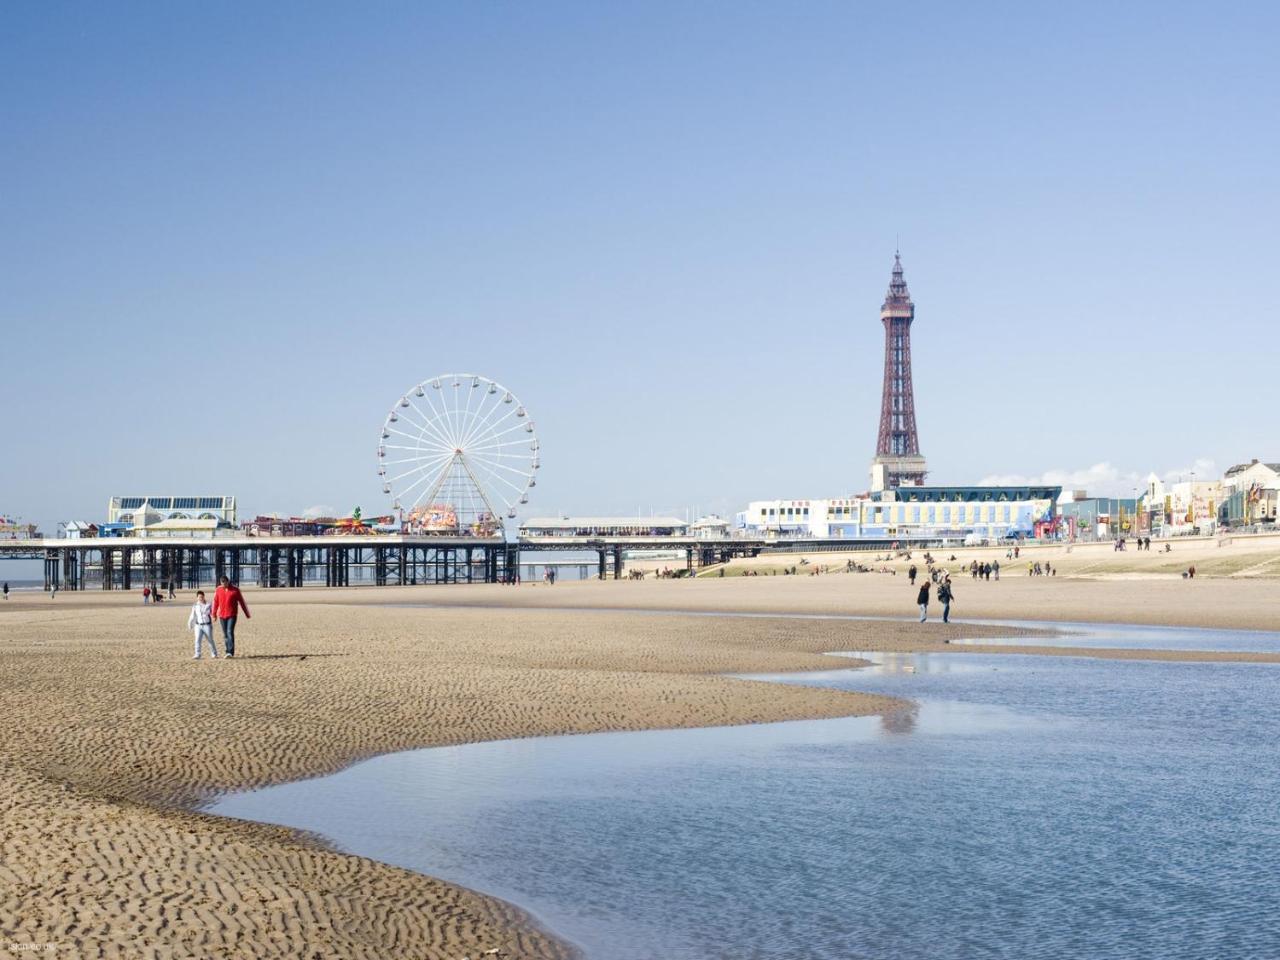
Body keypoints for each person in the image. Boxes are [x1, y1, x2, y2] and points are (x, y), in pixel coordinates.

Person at [212, 576, 250, 657]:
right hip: (222, 615)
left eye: (225, 582)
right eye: (222, 583)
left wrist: (247, 614)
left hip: (232, 615)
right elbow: (215, 603)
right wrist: (214, 614)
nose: (223, 584)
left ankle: (230, 652)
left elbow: (242, 602)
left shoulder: (235, 590)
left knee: (229, 632)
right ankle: (227, 651)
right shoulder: (218, 590)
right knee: (225, 634)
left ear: (228, 581)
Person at [187, 590, 218, 659]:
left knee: (210, 639)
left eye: (201, 597)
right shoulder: (195, 606)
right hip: (198, 625)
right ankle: (197, 654)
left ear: (204, 597)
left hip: (207, 625)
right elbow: (192, 615)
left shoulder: (209, 604)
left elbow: (213, 612)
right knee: (197, 640)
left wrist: (214, 616)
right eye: (199, 597)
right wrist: (190, 623)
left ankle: (214, 653)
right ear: (197, 598)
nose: (200, 598)